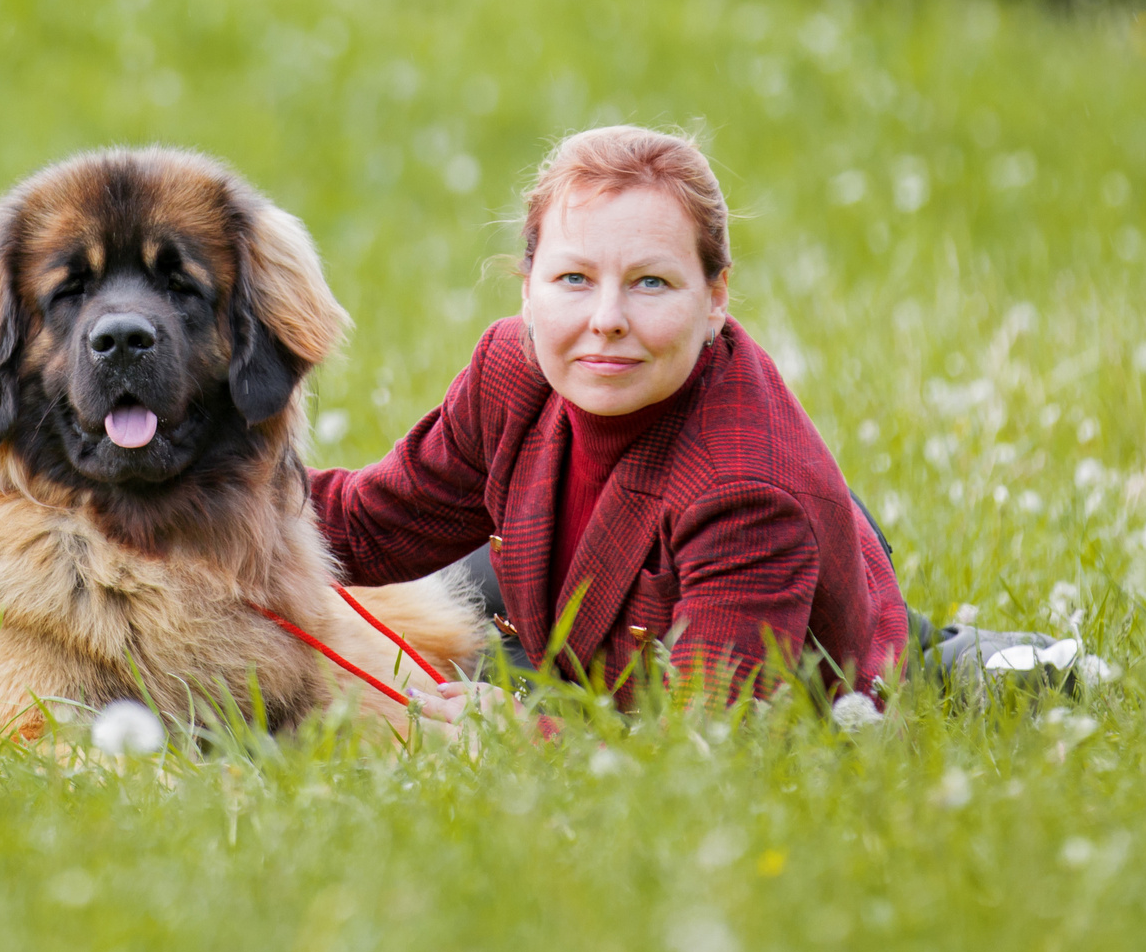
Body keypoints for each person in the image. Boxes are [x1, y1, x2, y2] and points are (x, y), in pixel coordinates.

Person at [309, 125, 910, 704]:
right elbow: (367, 527)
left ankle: (959, 654)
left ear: (715, 299)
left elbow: (704, 751)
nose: (607, 319)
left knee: (943, 667)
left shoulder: (746, 494)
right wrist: (218, 492)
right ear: (527, 289)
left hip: (768, 583)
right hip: (580, 621)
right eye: (574, 277)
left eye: (650, 282)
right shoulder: (511, 372)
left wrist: (518, 735)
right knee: (472, 587)